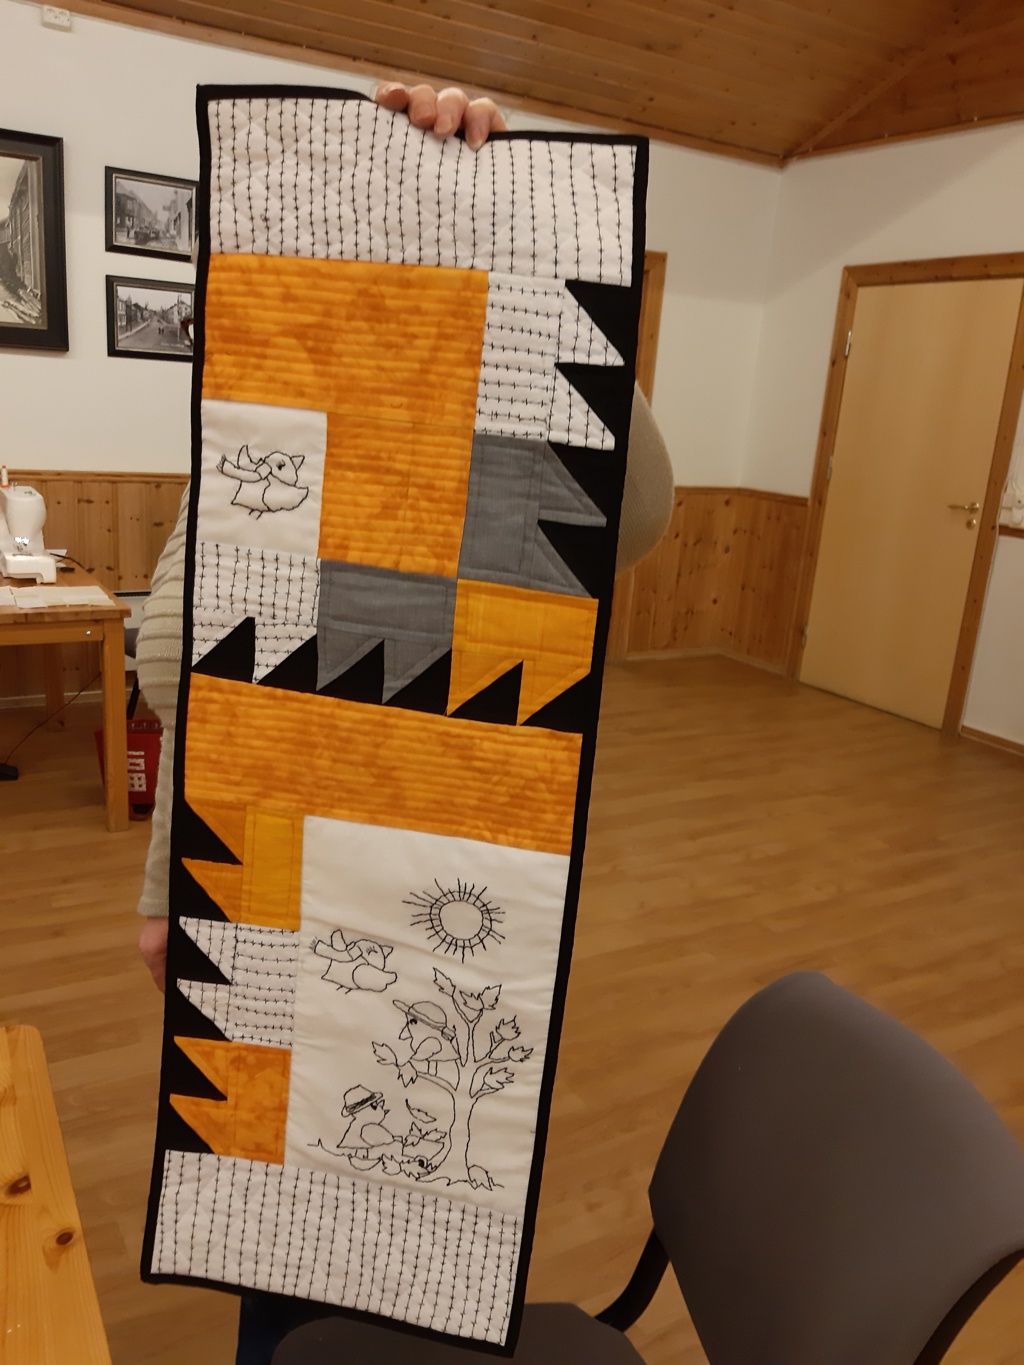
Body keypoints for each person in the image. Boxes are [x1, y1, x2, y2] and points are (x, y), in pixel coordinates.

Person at [134, 80, 674, 1365]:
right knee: (274, 1180)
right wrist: (166, 881)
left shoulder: (457, 461)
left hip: (408, 866)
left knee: (384, 1174)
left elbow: (634, 513)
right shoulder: (266, 446)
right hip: (253, 859)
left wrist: (529, 253)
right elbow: (210, 686)